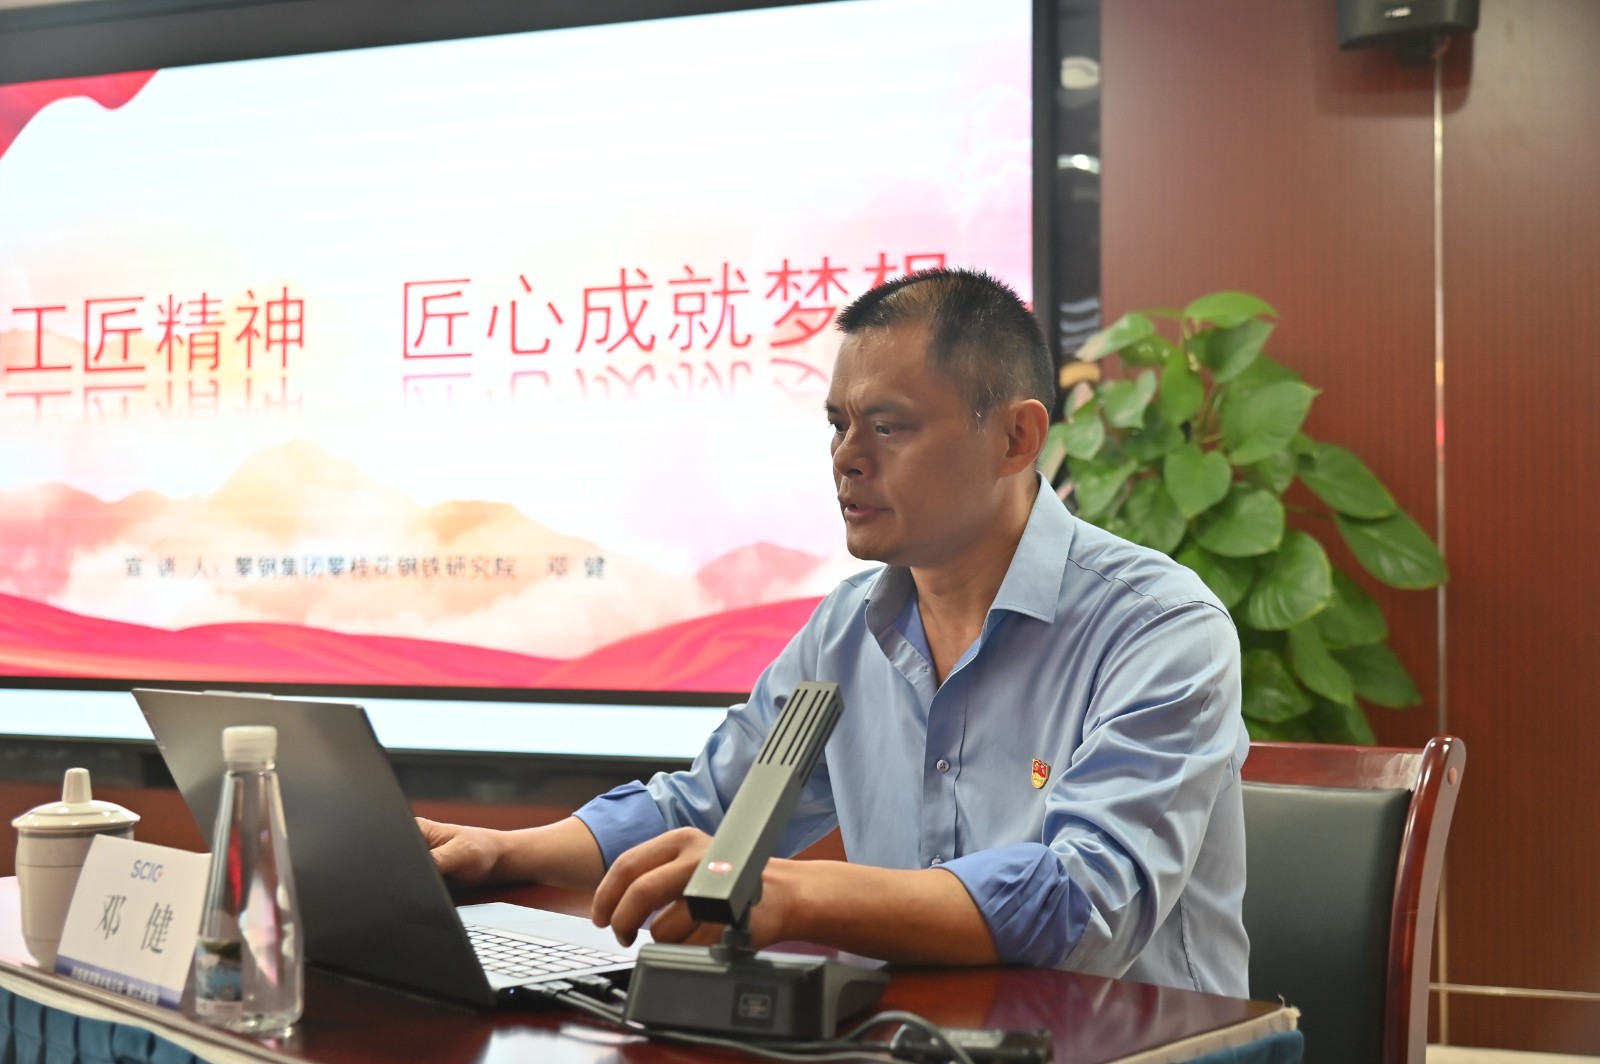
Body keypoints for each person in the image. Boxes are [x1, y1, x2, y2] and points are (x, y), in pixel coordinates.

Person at [418, 268, 1250, 996]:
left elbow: (1084, 900)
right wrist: (504, 852)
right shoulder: (848, 627)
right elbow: (713, 808)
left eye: (887, 426)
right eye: (837, 424)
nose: (847, 457)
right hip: (920, 1034)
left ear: (1015, 437)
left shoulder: (1160, 630)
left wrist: (799, 893)